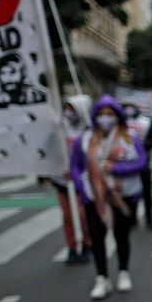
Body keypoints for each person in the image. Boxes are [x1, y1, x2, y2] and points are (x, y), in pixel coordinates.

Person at [70, 95, 148, 300]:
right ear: (95, 116)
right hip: (95, 197)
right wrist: (82, 187)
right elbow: (76, 166)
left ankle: (123, 272)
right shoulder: (85, 140)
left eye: (110, 114)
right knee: (97, 237)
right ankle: (101, 278)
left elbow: (142, 163)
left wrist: (116, 168)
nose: (105, 118)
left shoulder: (130, 138)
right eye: (102, 114)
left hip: (122, 196)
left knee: (121, 235)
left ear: (117, 117)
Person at [51, 94, 94, 264]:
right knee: (68, 216)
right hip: (62, 180)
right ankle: (72, 246)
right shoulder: (60, 126)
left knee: (82, 215)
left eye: (73, 108)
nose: (69, 111)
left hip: (81, 180)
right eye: (67, 107)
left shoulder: (89, 130)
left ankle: (86, 243)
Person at [123, 102, 152, 229]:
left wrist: (140, 147)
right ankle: (132, 218)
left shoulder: (146, 122)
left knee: (147, 192)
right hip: (128, 164)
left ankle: (149, 217)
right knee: (131, 192)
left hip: (143, 163)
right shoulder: (120, 123)